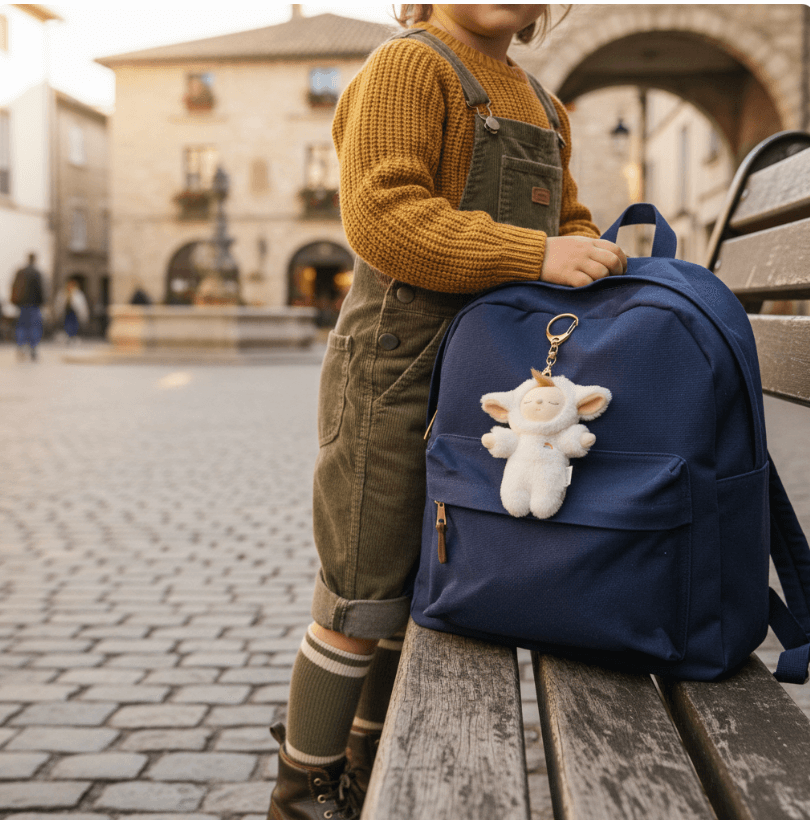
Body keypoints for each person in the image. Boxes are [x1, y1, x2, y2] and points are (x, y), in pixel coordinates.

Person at [267, 6, 627, 818]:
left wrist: (590, 250)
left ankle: (366, 758)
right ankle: (301, 790)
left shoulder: (542, 102)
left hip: (485, 381)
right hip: (392, 375)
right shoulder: (409, 68)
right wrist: (535, 254)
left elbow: (564, 219)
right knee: (362, 589)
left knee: (426, 573)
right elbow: (384, 217)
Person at [10, 253, 45, 361]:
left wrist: (15, 301)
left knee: (22, 326)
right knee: (34, 326)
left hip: (22, 304)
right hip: (33, 304)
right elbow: (40, 289)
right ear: (34, 260)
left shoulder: (20, 272)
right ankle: (33, 348)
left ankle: (21, 346)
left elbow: (14, 286)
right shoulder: (36, 272)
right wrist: (42, 302)